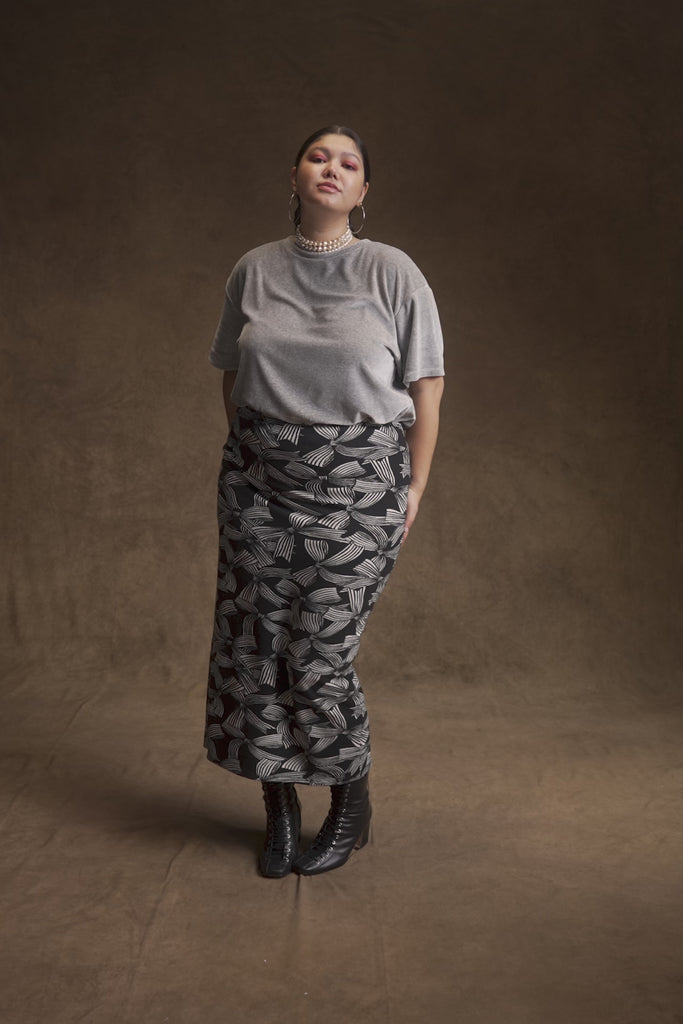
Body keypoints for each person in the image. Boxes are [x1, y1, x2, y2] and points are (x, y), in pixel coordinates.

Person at [204, 125, 444, 878]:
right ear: (295, 174)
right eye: (318, 156)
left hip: (357, 490)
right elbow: (231, 373)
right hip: (257, 489)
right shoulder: (253, 269)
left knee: (317, 656)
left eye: (349, 163)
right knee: (257, 651)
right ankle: (278, 810)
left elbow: (427, 388)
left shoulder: (391, 271)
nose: (331, 169)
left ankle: (349, 804)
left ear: (364, 189)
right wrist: (259, 453)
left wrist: (414, 487)